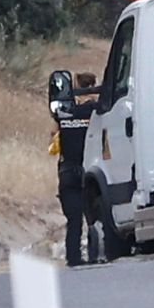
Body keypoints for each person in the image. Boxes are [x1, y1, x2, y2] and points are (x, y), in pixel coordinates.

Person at [52, 72, 100, 266]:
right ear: (94, 85)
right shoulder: (98, 112)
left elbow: (53, 139)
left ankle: (74, 258)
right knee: (95, 218)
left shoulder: (65, 113)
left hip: (68, 171)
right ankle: (97, 254)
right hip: (92, 171)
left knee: (73, 220)